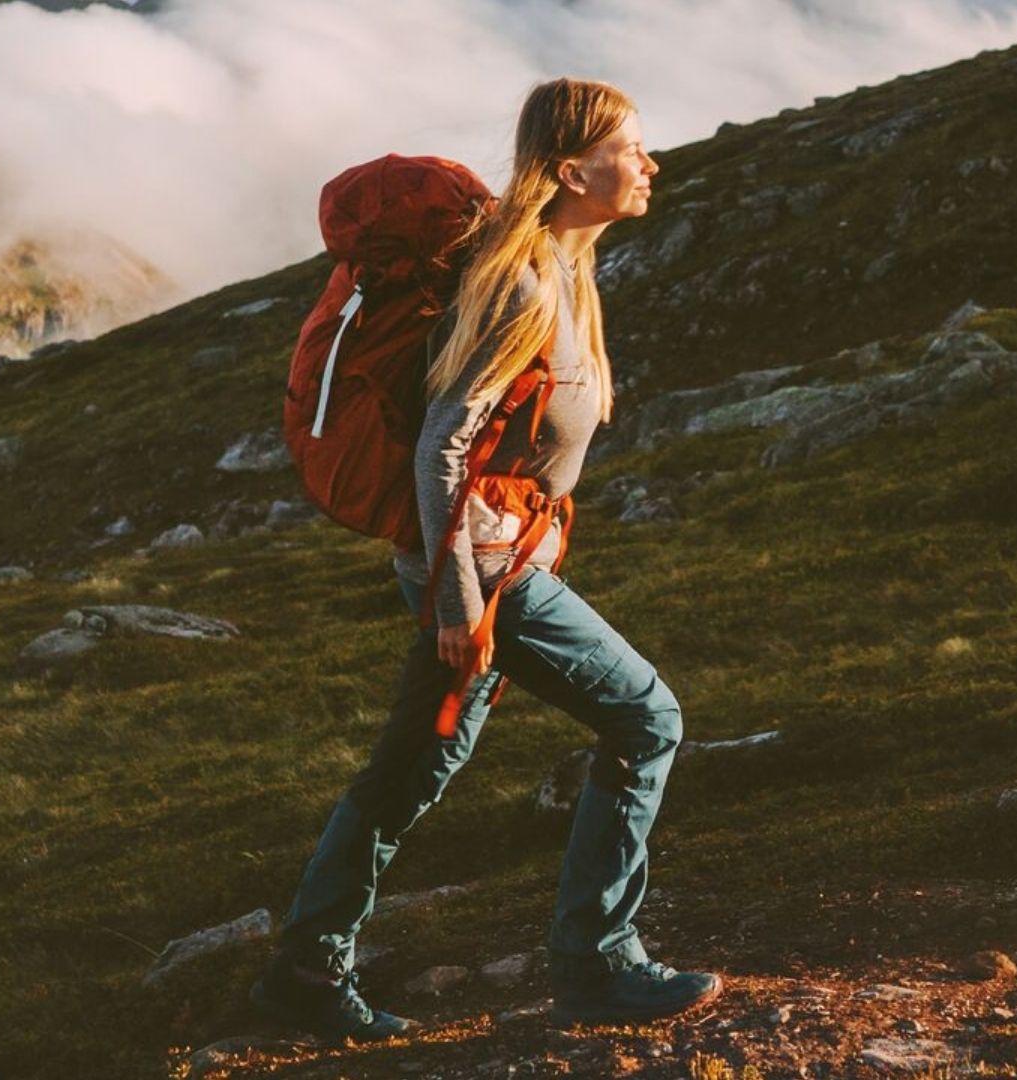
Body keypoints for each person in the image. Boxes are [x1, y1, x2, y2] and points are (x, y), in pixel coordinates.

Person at [251, 77, 720, 1042]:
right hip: (482, 571)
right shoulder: (524, 279)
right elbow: (442, 447)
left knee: (417, 764)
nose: (649, 163)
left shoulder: (566, 267)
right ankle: (598, 962)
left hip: (486, 560)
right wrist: (463, 603)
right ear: (567, 168)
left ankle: (304, 968)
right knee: (647, 717)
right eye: (629, 148)